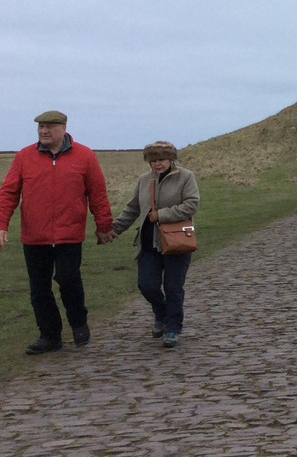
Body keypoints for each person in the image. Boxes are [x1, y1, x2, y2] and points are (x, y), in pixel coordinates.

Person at [0, 110, 114, 355]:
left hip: (69, 235)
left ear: (64, 128)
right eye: (41, 127)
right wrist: (2, 224)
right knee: (39, 288)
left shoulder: (85, 156)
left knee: (68, 280)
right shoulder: (24, 157)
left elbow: (98, 193)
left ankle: (78, 322)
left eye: (50, 127)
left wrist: (104, 225)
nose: (44, 131)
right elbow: (8, 193)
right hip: (35, 236)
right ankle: (49, 335)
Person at [106, 141, 200, 349]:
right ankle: (161, 313)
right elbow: (132, 208)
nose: (157, 164)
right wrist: (114, 229)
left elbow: (191, 204)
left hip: (177, 241)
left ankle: (173, 328)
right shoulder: (143, 181)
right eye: (153, 161)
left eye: (161, 160)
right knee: (146, 285)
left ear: (171, 159)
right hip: (148, 242)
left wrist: (162, 215)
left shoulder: (186, 177)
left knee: (173, 287)